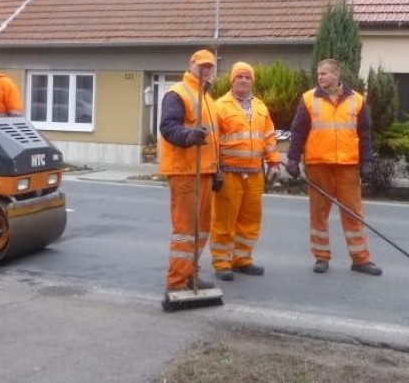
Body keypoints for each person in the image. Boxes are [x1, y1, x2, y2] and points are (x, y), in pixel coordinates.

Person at [285, 58, 382, 276]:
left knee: (354, 214)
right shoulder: (309, 99)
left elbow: (365, 135)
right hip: (319, 165)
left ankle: (361, 259)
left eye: (325, 73)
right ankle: (321, 257)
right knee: (319, 214)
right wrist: (292, 159)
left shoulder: (357, 100)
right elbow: (298, 131)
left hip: (347, 166)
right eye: (319, 74)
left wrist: (367, 162)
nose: (320, 77)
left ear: (336, 75)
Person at [210, 61, 281, 281]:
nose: (243, 80)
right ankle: (222, 262)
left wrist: (274, 162)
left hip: (254, 174)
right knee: (224, 221)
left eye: (247, 77)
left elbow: (268, 137)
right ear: (232, 80)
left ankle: (242, 260)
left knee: (250, 221)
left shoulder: (260, 107)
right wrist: (214, 171)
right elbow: (211, 142)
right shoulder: (219, 106)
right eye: (239, 76)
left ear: (252, 81)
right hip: (228, 173)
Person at [159, 49, 219, 292]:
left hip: (204, 171)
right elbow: (168, 127)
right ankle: (176, 282)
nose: (205, 70)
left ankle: (191, 275)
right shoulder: (178, 93)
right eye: (201, 66)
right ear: (191, 66)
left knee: (201, 229)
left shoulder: (208, 99)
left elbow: (214, 140)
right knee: (185, 230)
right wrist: (188, 136)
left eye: (209, 67)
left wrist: (218, 170)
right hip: (185, 171)